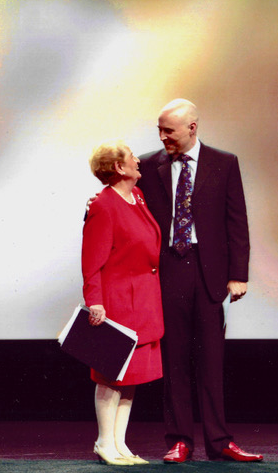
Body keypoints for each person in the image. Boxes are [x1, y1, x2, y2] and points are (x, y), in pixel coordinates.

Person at [135, 99, 263, 463]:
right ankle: (179, 441)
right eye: (159, 130)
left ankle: (220, 441)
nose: (162, 137)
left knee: (211, 360)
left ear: (192, 127)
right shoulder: (147, 165)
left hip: (209, 273)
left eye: (168, 131)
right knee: (174, 359)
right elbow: (126, 204)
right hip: (169, 269)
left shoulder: (224, 163)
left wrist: (239, 275)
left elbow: (236, 221)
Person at [82, 139, 164, 466]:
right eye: (132, 158)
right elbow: (92, 261)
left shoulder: (137, 195)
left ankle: (119, 443)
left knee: (132, 379)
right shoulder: (103, 204)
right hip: (117, 302)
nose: (138, 161)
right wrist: (95, 302)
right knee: (112, 376)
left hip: (143, 300)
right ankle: (104, 441)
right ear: (118, 167)